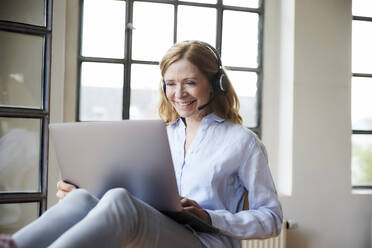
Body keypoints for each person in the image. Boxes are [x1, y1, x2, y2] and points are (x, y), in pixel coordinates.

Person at [5, 40, 282, 248]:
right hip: (158, 228)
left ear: (215, 84)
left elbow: (271, 219)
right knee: (82, 198)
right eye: (170, 84)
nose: (178, 93)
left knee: (120, 200)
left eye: (190, 83)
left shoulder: (243, 143)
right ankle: (14, 245)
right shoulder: (160, 135)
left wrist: (210, 217)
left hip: (205, 242)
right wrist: (88, 193)